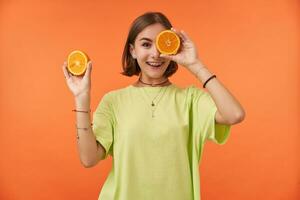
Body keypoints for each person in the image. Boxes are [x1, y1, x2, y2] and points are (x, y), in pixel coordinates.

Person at [62, 11, 245, 200]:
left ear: (173, 49)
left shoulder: (191, 99)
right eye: (146, 44)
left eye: (161, 45)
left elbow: (235, 114)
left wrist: (196, 65)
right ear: (133, 50)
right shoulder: (113, 101)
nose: (155, 54)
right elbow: (89, 158)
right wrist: (81, 98)